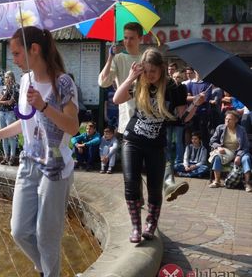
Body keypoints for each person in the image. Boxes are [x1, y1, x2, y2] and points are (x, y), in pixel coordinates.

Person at [0, 26, 79, 276]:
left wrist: (43, 106)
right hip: (29, 161)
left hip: (54, 165)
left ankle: (49, 272)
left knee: (46, 236)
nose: (15, 59)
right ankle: (46, 269)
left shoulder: (63, 82)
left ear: (35, 49)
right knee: (19, 230)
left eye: (18, 53)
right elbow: (25, 124)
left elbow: (73, 127)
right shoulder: (25, 81)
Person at [113, 48, 200, 243]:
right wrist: (130, 78)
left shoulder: (174, 89)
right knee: (130, 184)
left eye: (153, 71)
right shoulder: (138, 83)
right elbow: (116, 99)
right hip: (132, 140)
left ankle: (150, 224)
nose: (149, 75)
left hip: (156, 145)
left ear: (161, 69)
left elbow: (183, 118)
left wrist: (195, 104)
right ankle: (135, 227)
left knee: (154, 188)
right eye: (146, 70)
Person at [98, 22, 190, 202]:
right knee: (133, 172)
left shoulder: (146, 58)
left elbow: (162, 81)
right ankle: (139, 203)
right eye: (125, 37)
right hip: (129, 119)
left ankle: (164, 186)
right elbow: (103, 82)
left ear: (141, 38)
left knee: (157, 157)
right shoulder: (119, 59)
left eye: (132, 37)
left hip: (153, 117)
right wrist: (110, 57)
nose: (127, 41)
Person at [209, 110, 252, 192]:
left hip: (239, 151)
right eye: (226, 119)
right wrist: (218, 147)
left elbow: (246, 146)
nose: (227, 121)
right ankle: (217, 181)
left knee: (246, 159)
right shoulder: (220, 128)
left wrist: (239, 155)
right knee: (217, 157)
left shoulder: (241, 130)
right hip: (226, 152)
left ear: (236, 120)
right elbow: (212, 141)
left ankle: (247, 183)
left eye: (230, 119)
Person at [0, 70, 19, 165]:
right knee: (3, 135)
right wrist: (4, 95)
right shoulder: (2, 88)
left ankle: (12, 157)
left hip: (10, 112)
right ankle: (6, 156)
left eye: (9, 76)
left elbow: (11, 102)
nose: (7, 79)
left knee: (11, 135)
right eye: (5, 77)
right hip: (1, 112)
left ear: (12, 77)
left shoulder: (16, 87)